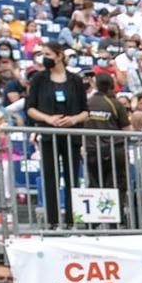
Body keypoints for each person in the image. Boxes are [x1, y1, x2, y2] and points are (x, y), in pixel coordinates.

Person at [24, 46, 88, 227]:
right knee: (50, 177)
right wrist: (48, 119)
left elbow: (85, 111)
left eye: (48, 54)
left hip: (71, 136)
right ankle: (52, 221)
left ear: (59, 56)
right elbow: (30, 108)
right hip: (48, 135)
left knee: (72, 178)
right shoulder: (38, 79)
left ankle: (70, 221)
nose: (45, 58)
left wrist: (73, 120)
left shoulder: (75, 80)